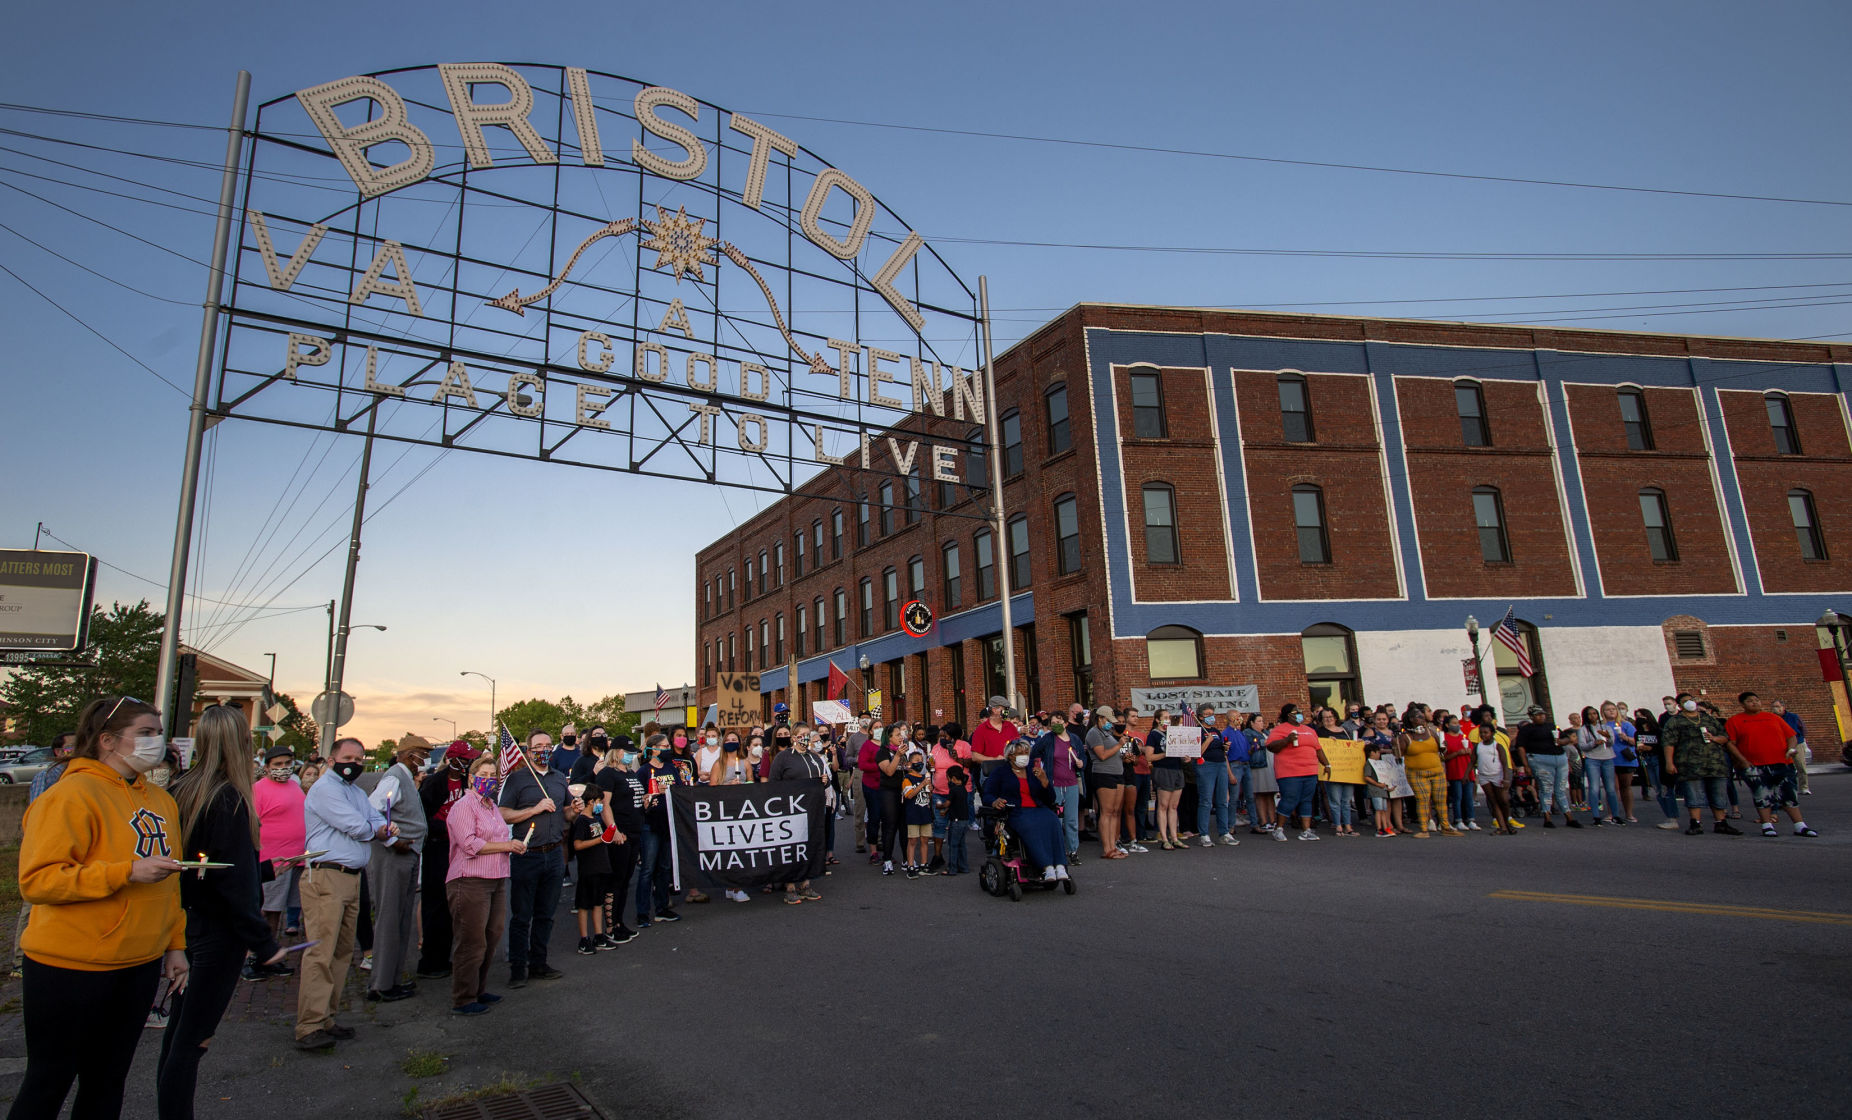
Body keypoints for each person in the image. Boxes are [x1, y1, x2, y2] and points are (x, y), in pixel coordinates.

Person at [11, 696, 186, 1120]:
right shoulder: (70, 794)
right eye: (144, 733)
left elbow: (171, 882)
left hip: (138, 963)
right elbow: (38, 880)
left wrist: (175, 945)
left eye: (157, 733)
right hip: (71, 966)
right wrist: (122, 872)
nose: (156, 742)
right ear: (107, 740)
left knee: (108, 1082)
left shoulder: (162, 801)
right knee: (49, 1081)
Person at [157, 705, 287, 1120]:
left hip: (189, 922)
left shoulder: (183, 788)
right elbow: (232, 884)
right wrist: (264, 945)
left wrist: (263, 867)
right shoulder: (229, 798)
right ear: (241, 744)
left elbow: (208, 866)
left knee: (180, 1031)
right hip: (216, 934)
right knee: (194, 1039)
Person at [295, 736, 393, 1050]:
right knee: (321, 952)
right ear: (332, 758)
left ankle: (327, 1017)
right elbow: (359, 826)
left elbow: (376, 818)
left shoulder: (354, 791)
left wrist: (378, 826)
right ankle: (309, 1024)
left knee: (341, 952)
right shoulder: (325, 790)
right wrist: (377, 829)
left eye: (360, 758)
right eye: (349, 757)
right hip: (326, 876)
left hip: (351, 877)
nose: (355, 763)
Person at [446, 754, 525, 1015]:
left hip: (497, 877)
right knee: (471, 940)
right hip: (470, 879)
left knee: (491, 936)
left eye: (493, 776)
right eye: (483, 776)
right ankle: (464, 997)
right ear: (471, 778)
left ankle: (479, 988)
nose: (488, 780)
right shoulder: (464, 806)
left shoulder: (492, 806)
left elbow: (503, 833)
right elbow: (469, 844)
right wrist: (505, 846)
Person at [500, 730, 569, 987]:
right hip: (527, 855)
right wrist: (534, 809)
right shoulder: (517, 780)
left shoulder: (559, 778)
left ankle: (539, 962)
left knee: (546, 913)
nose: (544, 750)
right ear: (529, 752)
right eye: (539, 746)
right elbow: (504, 813)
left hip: (553, 854)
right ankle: (518, 967)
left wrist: (572, 811)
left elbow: (566, 812)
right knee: (521, 915)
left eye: (548, 745)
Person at [366, 735, 429, 1003]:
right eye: (421, 755)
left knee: (401, 919)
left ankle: (392, 978)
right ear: (408, 754)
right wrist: (392, 840)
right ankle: (381, 983)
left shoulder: (407, 779)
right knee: (390, 919)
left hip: (409, 853)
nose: (424, 761)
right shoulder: (394, 776)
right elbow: (372, 811)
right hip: (394, 856)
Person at [242, 745, 305, 982]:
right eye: (277, 765)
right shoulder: (257, 790)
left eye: (287, 764)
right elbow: (250, 826)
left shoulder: (295, 787)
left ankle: (268, 956)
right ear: (266, 767)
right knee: (262, 909)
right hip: (271, 861)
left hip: (294, 860)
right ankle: (251, 957)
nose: (283, 769)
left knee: (276, 911)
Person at [416, 741, 478, 980]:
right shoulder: (434, 783)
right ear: (453, 760)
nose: (468, 763)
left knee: (453, 905)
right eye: (465, 759)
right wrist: (449, 827)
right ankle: (430, 961)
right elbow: (422, 818)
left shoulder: (466, 784)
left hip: (457, 848)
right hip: (437, 847)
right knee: (436, 903)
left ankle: (444, 957)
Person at [1725, 692, 1816, 837]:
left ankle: (1800, 825)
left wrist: (1791, 749)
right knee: (1762, 795)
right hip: (1755, 765)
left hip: (1782, 762)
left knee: (1789, 794)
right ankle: (1767, 825)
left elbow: (1791, 736)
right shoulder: (1735, 721)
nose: (1754, 703)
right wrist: (1743, 761)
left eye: (1756, 700)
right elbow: (1731, 743)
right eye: (1750, 701)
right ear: (1742, 705)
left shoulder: (1773, 717)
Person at [981, 740, 1070, 882]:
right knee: (1030, 825)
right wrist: (994, 801)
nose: (1024, 756)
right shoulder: (1000, 772)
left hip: (1037, 808)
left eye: (1026, 753)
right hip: (1015, 811)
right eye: (1020, 753)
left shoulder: (1033, 771)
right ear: (1010, 756)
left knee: (1053, 820)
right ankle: (1046, 867)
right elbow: (988, 793)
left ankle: (1060, 865)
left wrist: (1044, 782)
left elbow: (1050, 798)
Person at [1661, 693, 1738, 835]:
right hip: (1690, 764)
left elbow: (1724, 737)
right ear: (1679, 705)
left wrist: (1714, 738)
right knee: (1693, 794)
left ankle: (1720, 822)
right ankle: (1695, 823)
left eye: (1691, 700)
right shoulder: (1675, 721)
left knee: (1718, 793)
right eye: (1685, 701)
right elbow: (1669, 743)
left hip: (1714, 763)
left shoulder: (1708, 719)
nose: (1689, 703)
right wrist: (1669, 762)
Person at [768, 730, 829, 903]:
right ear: (794, 737)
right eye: (801, 734)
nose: (805, 737)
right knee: (792, 847)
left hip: (812, 810)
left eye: (807, 733)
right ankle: (790, 886)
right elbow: (773, 782)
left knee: (808, 845)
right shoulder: (784, 758)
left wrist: (825, 780)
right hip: (790, 809)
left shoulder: (815, 757)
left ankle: (806, 884)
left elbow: (825, 780)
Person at [635, 736, 682, 927]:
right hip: (650, 824)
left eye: (669, 746)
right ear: (653, 749)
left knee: (664, 867)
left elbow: (680, 790)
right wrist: (653, 793)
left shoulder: (671, 769)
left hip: (667, 822)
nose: (668, 749)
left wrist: (670, 789)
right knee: (647, 869)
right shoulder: (644, 771)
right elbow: (638, 798)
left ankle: (662, 907)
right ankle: (642, 912)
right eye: (664, 746)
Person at [1266, 703, 1330, 841]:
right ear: (1288, 715)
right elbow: (1271, 746)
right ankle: (1279, 828)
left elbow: (1318, 749)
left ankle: (1306, 830)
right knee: (1290, 799)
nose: (1299, 714)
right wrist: (1286, 740)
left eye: (1300, 712)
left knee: (1307, 800)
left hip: (1310, 770)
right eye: (1296, 712)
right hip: (1289, 772)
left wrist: (1327, 764)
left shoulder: (1309, 730)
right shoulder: (1280, 730)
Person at [1033, 709, 1087, 861]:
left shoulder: (1074, 739)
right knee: (1056, 820)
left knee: (1071, 820)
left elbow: (1083, 758)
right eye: (1053, 723)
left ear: (1066, 723)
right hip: (1054, 784)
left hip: (1071, 784)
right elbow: (1035, 753)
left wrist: (1081, 763)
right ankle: (1056, 851)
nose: (1056, 725)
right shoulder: (1048, 739)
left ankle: (1073, 851)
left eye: (1059, 722)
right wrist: (1039, 769)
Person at [567, 785, 613, 954]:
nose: (600, 805)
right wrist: (600, 839)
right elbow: (577, 845)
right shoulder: (581, 821)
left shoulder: (595, 819)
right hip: (588, 868)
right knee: (584, 904)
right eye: (598, 802)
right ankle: (584, 938)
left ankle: (599, 935)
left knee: (597, 902)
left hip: (601, 866)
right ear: (591, 801)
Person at [1396, 710, 1456, 838]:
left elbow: (1440, 750)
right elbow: (1399, 754)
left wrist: (1443, 747)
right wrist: (1396, 744)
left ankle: (1445, 826)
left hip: (1437, 771)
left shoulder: (1431, 732)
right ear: (1411, 719)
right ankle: (1424, 829)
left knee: (1440, 800)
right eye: (1418, 717)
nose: (1422, 718)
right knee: (1423, 799)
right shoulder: (1406, 737)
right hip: (1416, 773)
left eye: (1422, 716)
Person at [1086, 706, 1132, 859]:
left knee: (1114, 812)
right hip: (1103, 774)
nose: (1111, 724)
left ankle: (1113, 844)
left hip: (1117, 773)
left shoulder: (1107, 733)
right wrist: (1119, 745)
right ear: (1100, 718)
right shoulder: (1094, 733)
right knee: (1106, 812)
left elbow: (1113, 754)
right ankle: (1107, 848)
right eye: (1108, 721)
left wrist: (1124, 756)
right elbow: (1102, 755)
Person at [927, 724, 971, 871]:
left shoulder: (964, 746)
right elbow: (932, 766)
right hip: (939, 792)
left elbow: (971, 763)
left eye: (945, 736)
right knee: (939, 824)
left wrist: (958, 759)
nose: (942, 739)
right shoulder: (936, 748)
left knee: (957, 826)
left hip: (958, 793)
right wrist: (929, 767)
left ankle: (959, 860)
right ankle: (938, 856)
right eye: (941, 736)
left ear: (954, 737)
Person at [1194, 704, 1236, 847]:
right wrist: (1208, 740)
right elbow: (1196, 752)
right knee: (1206, 801)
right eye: (1207, 714)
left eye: (1212, 713)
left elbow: (1222, 750)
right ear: (1200, 717)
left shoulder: (1216, 731)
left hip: (1220, 765)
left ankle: (1224, 832)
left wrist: (1225, 747)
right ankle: (1204, 834)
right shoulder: (1198, 731)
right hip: (1206, 765)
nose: (1211, 716)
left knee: (1223, 800)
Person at [1147, 709, 1186, 849]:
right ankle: (1164, 838)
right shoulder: (1154, 735)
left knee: (1174, 806)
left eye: (1169, 717)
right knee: (1163, 805)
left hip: (1176, 769)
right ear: (1158, 720)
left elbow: (1179, 751)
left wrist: (1184, 756)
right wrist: (1165, 754)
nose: (1168, 720)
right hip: (1163, 770)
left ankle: (1174, 836)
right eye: (1165, 717)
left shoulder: (1172, 732)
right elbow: (1149, 757)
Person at [1471, 720, 1518, 835]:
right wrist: (1467, 774)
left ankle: (1507, 823)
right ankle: (1502, 827)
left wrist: (1506, 778)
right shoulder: (1478, 746)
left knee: (1503, 800)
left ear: (1492, 733)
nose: (1483, 735)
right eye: (1481, 733)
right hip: (1484, 776)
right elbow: (1472, 762)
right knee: (1493, 801)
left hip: (1498, 775)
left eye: (1486, 732)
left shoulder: (1498, 745)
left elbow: (1505, 763)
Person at [873, 724, 908, 875]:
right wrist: (898, 756)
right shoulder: (882, 752)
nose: (901, 737)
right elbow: (889, 771)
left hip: (902, 791)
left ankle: (907, 859)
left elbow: (905, 769)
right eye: (897, 735)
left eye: (901, 734)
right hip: (888, 791)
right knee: (890, 826)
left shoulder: (902, 752)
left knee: (904, 827)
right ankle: (887, 860)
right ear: (889, 737)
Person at [1318, 709, 1359, 837]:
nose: (1328, 719)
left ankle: (1348, 825)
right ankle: (1338, 825)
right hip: (1332, 770)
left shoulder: (1344, 730)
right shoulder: (1320, 733)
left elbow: (1352, 746)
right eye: (1325, 717)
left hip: (1347, 770)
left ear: (1335, 717)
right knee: (1334, 800)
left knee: (1346, 800)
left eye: (1330, 716)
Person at [900, 747, 934, 877]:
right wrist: (921, 785)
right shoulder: (907, 779)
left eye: (921, 760)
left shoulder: (923, 777)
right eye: (916, 760)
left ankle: (924, 864)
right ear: (909, 764)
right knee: (913, 840)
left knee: (925, 840)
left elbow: (927, 797)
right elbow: (909, 795)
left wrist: (929, 790)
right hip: (913, 814)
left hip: (924, 812)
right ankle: (910, 865)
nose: (919, 762)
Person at [1440, 714, 1477, 831]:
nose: (1457, 725)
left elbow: (1473, 754)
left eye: (1457, 723)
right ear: (1447, 725)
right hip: (1455, 771)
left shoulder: (1463, 737)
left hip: (1467, 771)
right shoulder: (1445, 738)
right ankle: (1458, 819)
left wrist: (1469, 751)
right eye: (1454, 723)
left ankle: (1470, 819)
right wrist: (1457, 753)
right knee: (1457, 797)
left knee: (1468, 797)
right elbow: (1443, 757)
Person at [1245, 714, 1281, 834]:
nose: (1261, 723)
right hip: (1259, 765)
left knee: (1270, 793)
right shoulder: (1248, 733)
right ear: (1252, 723)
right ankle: (1263, 821)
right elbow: (1256, 744)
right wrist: (1266, 742)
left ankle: (1272, 820)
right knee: (1260, 793)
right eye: (1259, 721)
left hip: (1270, 764)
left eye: (1262, 720)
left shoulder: (1266, 732)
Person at [970, 697, 1021, 776]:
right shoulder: (981, 730)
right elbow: (975, 757)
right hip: (991, 773)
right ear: (994, 710)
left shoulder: (1010, 727)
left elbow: (1019, 747)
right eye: (1005, 709)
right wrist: (995, 760)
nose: (1007, 712)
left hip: (1011, 772)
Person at [1770, 699, 1810, 796]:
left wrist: (1802, 739)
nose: (1776, 709)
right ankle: (1784, 788)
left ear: (1783, 707)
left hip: (1797, 743)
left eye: (1778, 706)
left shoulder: (1793, 717)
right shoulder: (1771, 718)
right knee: (1782, 768)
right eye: (1774, 707)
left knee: (1801, 766)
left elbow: (1802, 728)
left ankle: (1804, 787)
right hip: (1780, 745)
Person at [1363, 738, 1396, 837]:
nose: (1379, 754)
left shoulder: (1380, 763)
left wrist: (1387, 786)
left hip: (1382, 790)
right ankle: (1379, 829)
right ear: (1372, 753)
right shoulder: (1369, 763)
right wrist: (1378, 784)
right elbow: (1367, 777)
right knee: (1378, 809)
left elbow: (1384, 776)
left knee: (1383, 810)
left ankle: (1385, 828)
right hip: (1375, 790)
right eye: (1377, 752)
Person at [943, 765, 972, 874]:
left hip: (956, 821)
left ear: (953, 778)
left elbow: (948, 803)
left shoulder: (953, 790)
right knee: (961, 844)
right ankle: (963, 866)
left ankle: (952, 868)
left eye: (948, 778)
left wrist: (940, 806)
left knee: (953, 845)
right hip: (964, 820)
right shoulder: (963, 789)